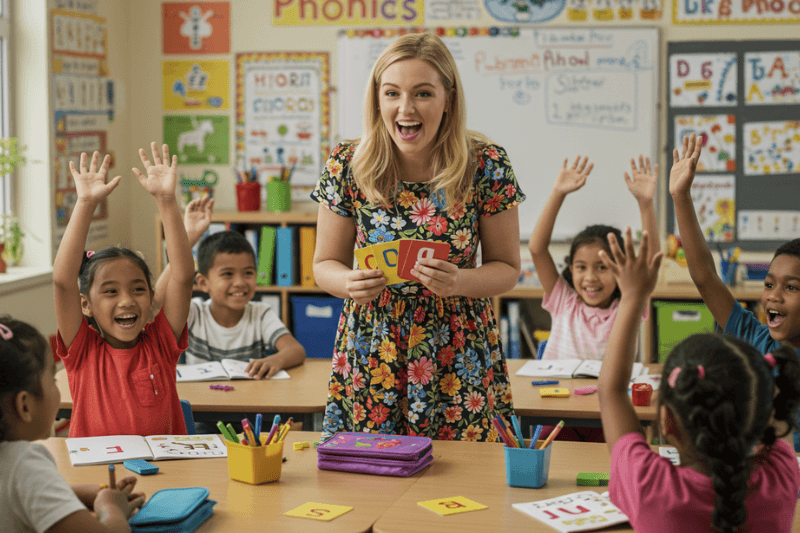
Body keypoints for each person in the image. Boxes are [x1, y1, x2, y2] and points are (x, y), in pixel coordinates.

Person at [311, 32, 525, 442]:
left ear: (448, 98)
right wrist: (348, 282)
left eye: (422, 93)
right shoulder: (346, 164)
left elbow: (507, 269)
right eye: (392, 93)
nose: (405, 109)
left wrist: (460, 281)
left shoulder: (486, 164)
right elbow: (324, 266)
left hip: (456, 350)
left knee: (464, 483)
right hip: (373, 348)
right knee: (370, 480)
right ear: (377, 99)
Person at [598, 228, 800, 532]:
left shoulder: (649, 486)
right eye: (769, 284)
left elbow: (611, 391)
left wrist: (631, 299)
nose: (773, 293)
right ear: (758, 413)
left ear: (666, 422)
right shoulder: (781, 479)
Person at [53, 145, 194, 437]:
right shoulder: (83, 352)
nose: (127, 301)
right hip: (99, 478)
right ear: (86, 305)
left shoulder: (161, 344)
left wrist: (167, 201)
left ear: (153, 296)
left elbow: (182, 276)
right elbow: (63, 281)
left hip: (166, 475)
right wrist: (85, 204)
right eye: (110, 292)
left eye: (138, 289)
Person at [0, 316, 146, 532]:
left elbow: (23, 492)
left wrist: (88, 493)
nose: (57, 384)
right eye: (52, 378)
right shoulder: (25, 465)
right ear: (25, 406)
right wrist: (110, 507)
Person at [671, 132, 800, 354]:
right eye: (769, 284)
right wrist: (681, 196)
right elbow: (705, 278)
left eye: (791, 287)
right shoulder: (755, 339)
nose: (773, 296)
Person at [154, 196, 306, 379]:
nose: (240, 282)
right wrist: (190, 237)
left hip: (249, 401)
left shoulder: (260, 314)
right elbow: (158, 301)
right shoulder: (194, 312)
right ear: (203, 283)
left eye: (248, 273)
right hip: (204, 403)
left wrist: (276, 360)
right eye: (227, 274)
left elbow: (296, 350)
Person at [528, 154, 659, 361]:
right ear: (571, 268)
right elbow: (537, 249)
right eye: (581, 267)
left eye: (602, 267)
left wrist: (645, 204)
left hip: (606, 394)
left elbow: (651, 264)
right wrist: (558, 193)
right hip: (559, 391)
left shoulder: (629, 305)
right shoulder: (563, 300)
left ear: (620, 270)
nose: (590, 277)